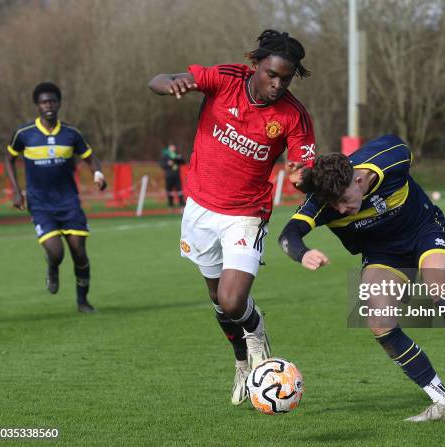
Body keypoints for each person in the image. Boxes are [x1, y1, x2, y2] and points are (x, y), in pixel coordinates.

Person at [278, 135, 445, 421]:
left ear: (358, 181)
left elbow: (401, 146)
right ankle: (444, 402)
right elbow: (288, 235)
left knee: (441, 289)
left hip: (424, 230)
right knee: (379, 321)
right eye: (334, 205)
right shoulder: (325, 200)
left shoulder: (390, 160)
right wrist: (303, 253)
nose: (340, 210)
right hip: (382, 253)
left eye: (345, 200)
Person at [148, 29, 316, 406]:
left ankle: (256, 332)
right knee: (217, 299)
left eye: (285, 78)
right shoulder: (225, 79)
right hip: (201, 208)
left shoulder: (293, 115)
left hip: (247, 215)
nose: (277, 84)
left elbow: (303, 166)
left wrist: (303, 176)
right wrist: (172, 84)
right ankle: (241, 362)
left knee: (232, 298)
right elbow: (156, 81)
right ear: (255, 65)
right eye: (271, 74)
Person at [4, 82, 107, 313]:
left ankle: (83, 302)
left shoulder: (71, 134)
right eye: (43, 102)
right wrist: (15, 189)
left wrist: (98, 173)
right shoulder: (24, 134)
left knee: (79, 251)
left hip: (69, 202)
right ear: (37, 106)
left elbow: (90, 158)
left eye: (52, 101)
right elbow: (8, 159)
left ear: (58, 103)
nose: (48, 105)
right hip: (40, 203)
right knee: (56, 251)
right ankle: (52, 266)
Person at [159, 143, 185, 207]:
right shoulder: (165, 156)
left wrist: (179, 158)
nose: (173, 148)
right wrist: (168, 164)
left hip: (176, 175)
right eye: (171, 147)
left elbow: (183, 162)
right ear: (169, 148)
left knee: (179, 189)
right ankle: (170, 203)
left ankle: (181, 203)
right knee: (169, 190)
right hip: (169, 176)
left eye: (174, 147)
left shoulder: (177, 155)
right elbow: (162, 165)